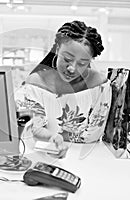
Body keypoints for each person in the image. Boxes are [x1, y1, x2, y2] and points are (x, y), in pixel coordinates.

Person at [15, 20, 112, 158]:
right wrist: (52, 138)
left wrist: (58, 135)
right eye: (67, 59)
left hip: (89, 159)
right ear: (57, 49)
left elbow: (93, 134)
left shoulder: (99, 85)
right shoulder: (36, 83)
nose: (72, 68)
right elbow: (32, 128)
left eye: (82, 63)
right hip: (45, 154)